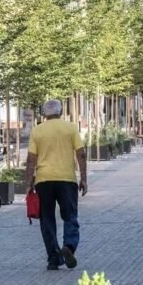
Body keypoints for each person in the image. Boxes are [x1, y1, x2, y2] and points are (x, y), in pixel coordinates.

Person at [24, 98, 88, 270]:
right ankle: (69, 246)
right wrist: (84, 178)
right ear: (60, 112)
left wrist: (29, 183)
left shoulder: (37, 131)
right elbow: (81, 154)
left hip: (44, 180)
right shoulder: (71, 128)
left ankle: (54, 258)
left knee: (47, 220)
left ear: (45, 114)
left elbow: (31, 159)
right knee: (70, 216)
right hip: (67, 179)